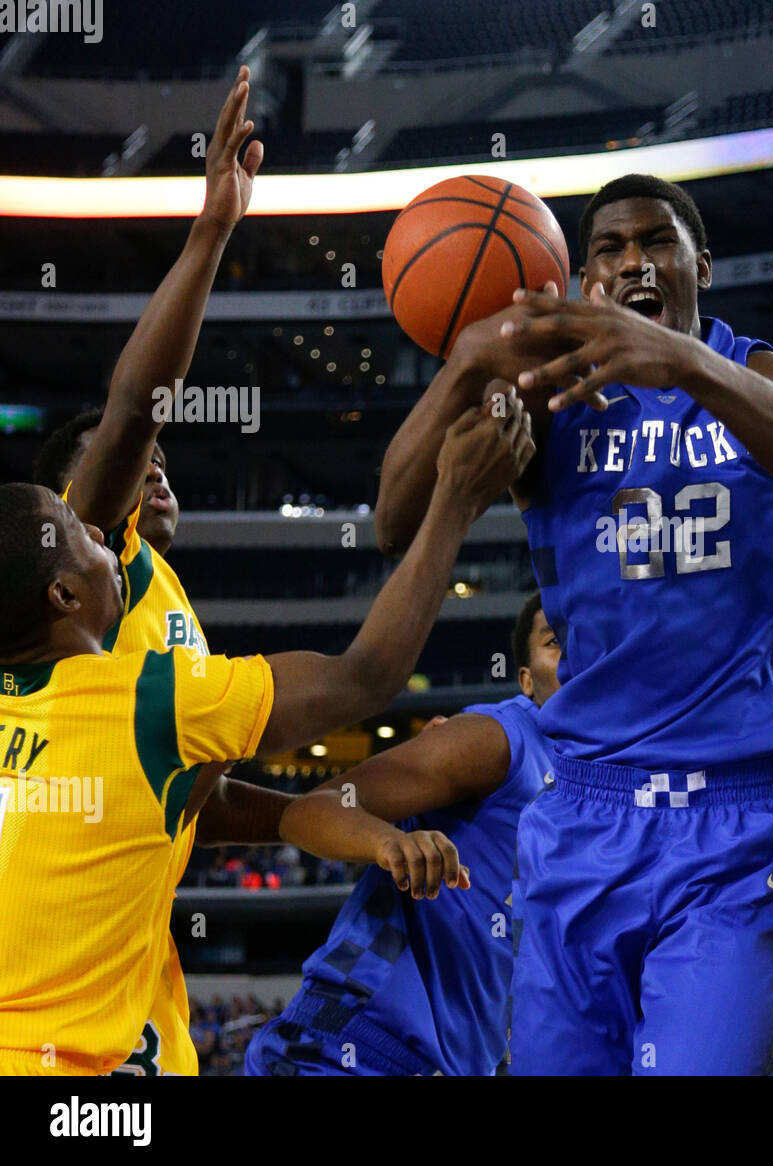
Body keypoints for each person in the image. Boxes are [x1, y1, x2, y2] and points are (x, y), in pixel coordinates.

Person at [375, 173, 773, 1074]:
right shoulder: (549, 398)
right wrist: (468, 362)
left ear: (702, 266)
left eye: (657, 242)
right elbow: (393, 523)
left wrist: (687, 364)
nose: (633, 261)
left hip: (734, 826)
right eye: (608, 249)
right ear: (581, 283)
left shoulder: (771, 379)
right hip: (582, 813)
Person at [0, 393, 532, 1075]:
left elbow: (199, 800)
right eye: (80, 528)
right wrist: (455, 498)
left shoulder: (114, 646)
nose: (99, 532)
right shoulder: (140, 686)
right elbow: (364, 676)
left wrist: (333, 823)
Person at [30, 67, 293, 1076]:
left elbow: (201, 794)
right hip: (68, 972)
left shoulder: (164, 597)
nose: (156, 468)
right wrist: (210, 232)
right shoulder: (93, 551)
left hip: (136, 960)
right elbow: (139, 404)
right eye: (134, 467)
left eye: (161, 463)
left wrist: (337, 814)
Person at [244, 594, 560, 1076]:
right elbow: (311, 810)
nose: (578, 653)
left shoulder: (601, 792)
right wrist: (384, 841)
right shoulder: (498, 739)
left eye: (588, 636)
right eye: (556, 642)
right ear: (525, 678)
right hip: (350, 1043)